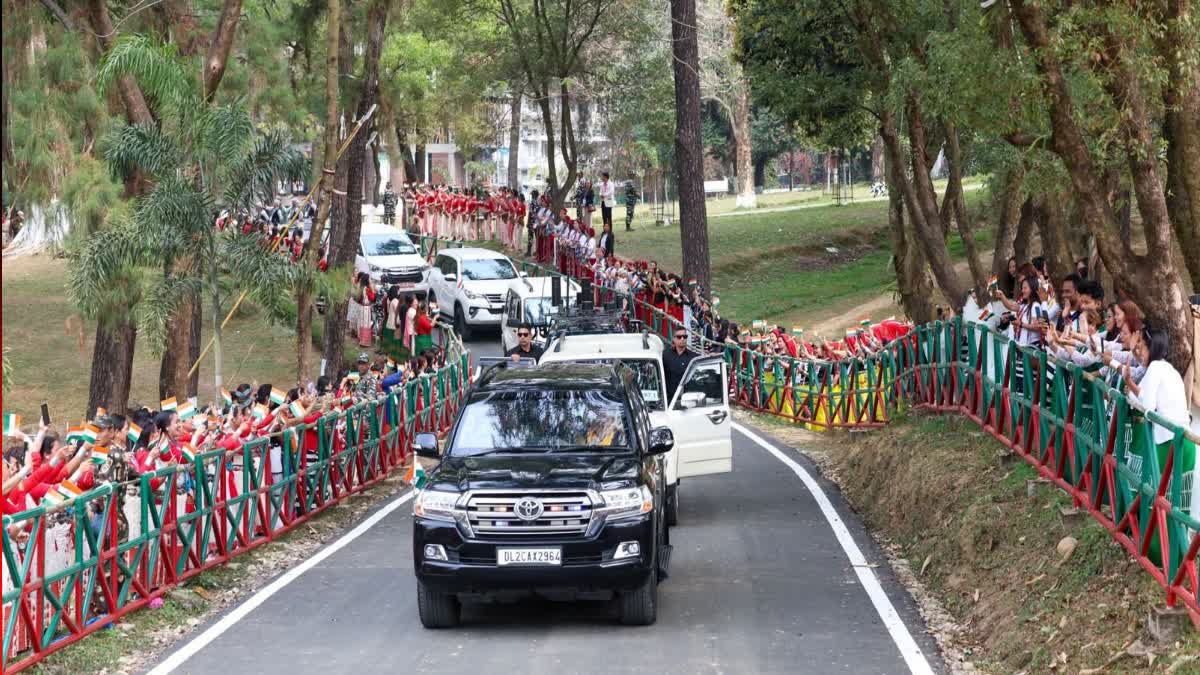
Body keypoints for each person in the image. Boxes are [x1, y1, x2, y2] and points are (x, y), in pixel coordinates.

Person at [663, 327, 696, 401]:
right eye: (679, 337)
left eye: (684, 336)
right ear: (674, 339)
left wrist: (711, 355)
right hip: (669, 400)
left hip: (688, 399)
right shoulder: (665, 355)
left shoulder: (693, 358)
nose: (682, 339)